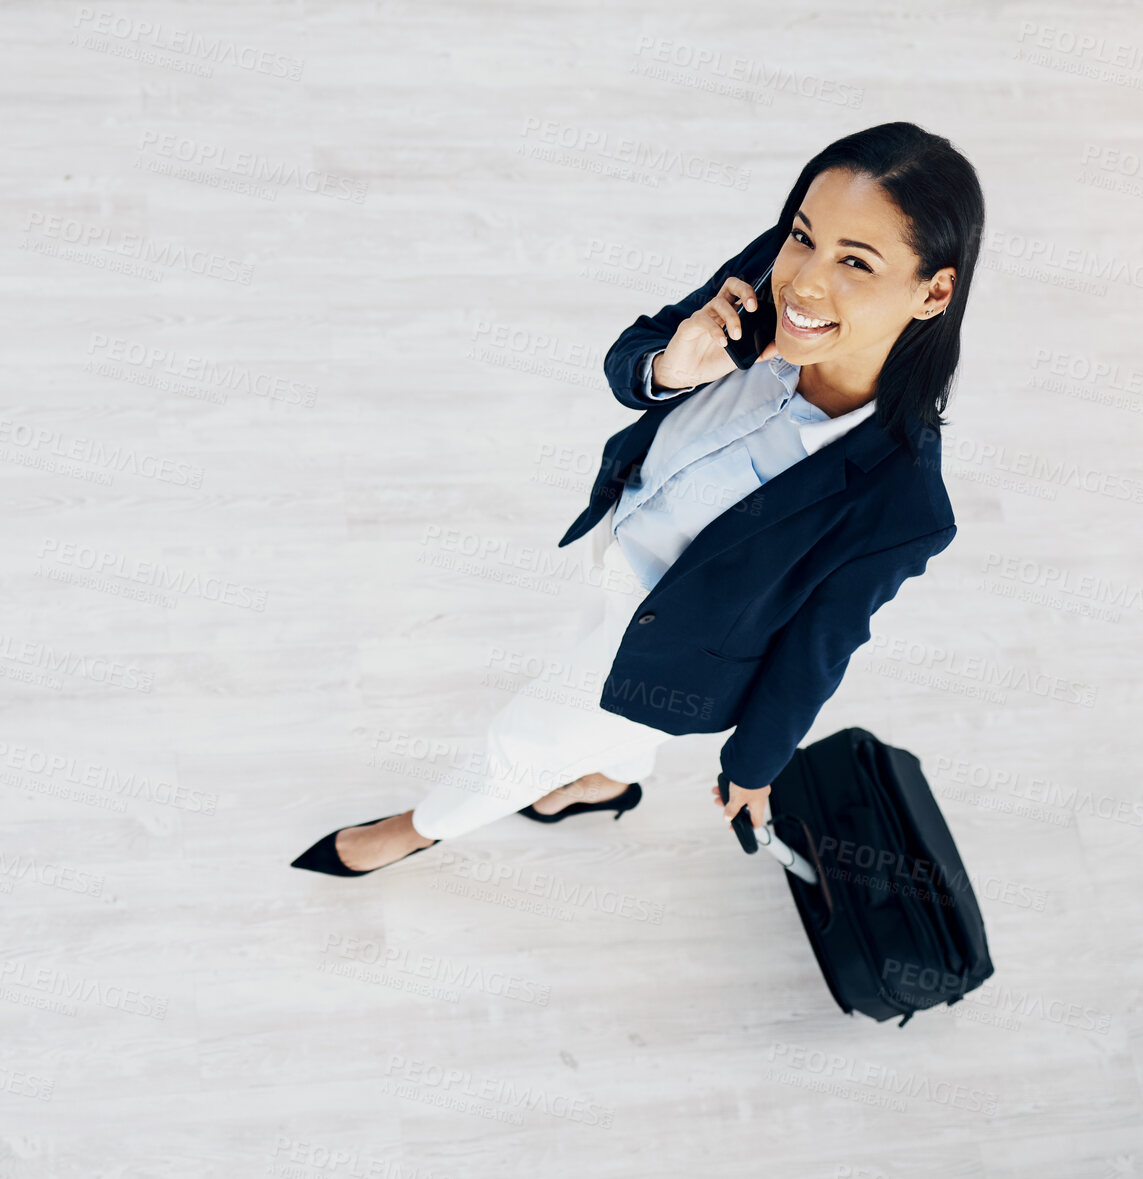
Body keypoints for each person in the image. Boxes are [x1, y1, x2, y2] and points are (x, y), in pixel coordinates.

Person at [292, 121, 984, 877]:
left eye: (856, 261)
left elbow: (818, 649)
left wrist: (753, 767)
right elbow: (636, 351)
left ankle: (414, 830)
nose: (805, 282)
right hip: (618, 533)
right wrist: (670, 365)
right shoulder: (768, 280)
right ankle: (610, 779)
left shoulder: (902, 505)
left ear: (933, 290)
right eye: (803, 237)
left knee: (522, 742)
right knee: (598, 683)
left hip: (674, 643)